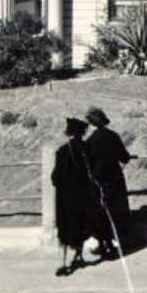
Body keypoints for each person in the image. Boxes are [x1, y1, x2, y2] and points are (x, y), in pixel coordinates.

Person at [83, 106, 132, 258]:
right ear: (104, 122)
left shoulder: (90, 142)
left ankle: (102, 243)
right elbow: (125, 157)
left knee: (99, 212)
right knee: (116, 210)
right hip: (115, 180)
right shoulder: (114, 136)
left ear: (91, 124)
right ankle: (117, 244)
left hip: (98, 182)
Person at [50, 117, 92, 276]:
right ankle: (79, 256)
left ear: (68, 132)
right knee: (80, 224)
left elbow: (54, 178)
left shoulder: (61, 151)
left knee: (64, 228)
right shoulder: (87, 148)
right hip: (82, 195)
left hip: (65, 197)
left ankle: (64, 262)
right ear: (82, 132)